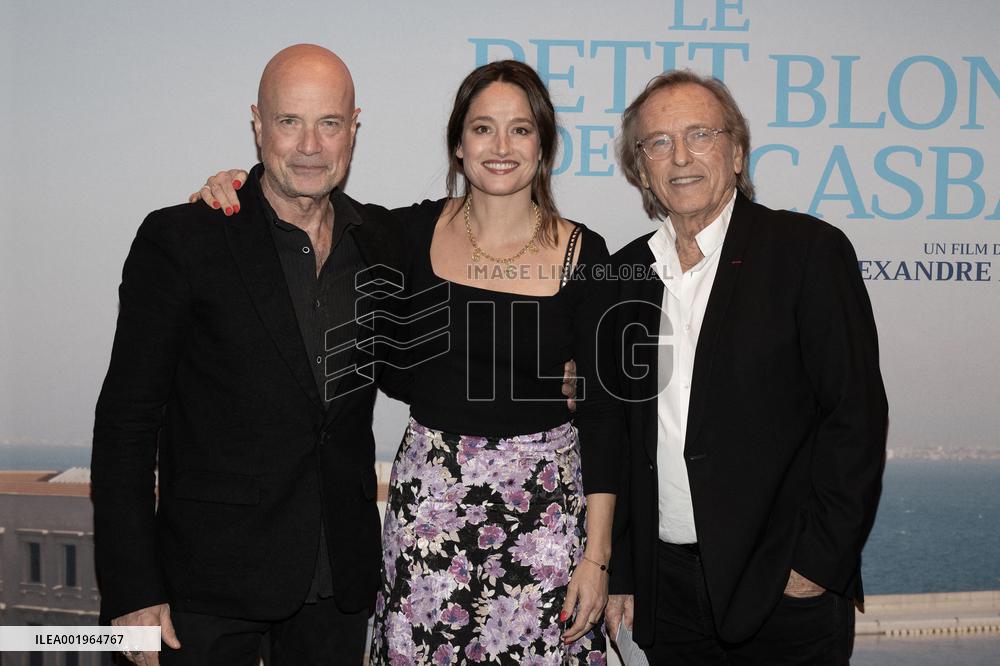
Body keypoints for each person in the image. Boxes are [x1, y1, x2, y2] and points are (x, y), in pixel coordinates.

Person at [193, 60, 622, 665]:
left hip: (547, 526)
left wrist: (597, 557)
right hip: (428, 520)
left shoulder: (587, 252)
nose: (501, 147)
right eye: (483, 128)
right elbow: (301, 207)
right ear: (458, 144)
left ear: (544, 145)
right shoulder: (403, 233)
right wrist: (237, 182)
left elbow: (604, 415)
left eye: (521, 130)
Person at [92, 44, 410, 665]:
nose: (310, 145)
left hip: (336, 588)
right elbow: (127, 421)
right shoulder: (186, 237)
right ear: (258, 125)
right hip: (204, 589)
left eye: (330, 122)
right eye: (290, 121)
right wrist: (132, 589)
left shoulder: (383, 241)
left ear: (354, 128)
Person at [604, 70, 888, 665]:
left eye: (700, 134)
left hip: (783, 589)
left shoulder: (807, 252)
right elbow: (623, 438)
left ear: (736, 153)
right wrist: (624, 570)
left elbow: (855, 417)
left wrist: (814, 566)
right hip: (666, 592)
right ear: (641, 169)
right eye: (658, 142)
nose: (680, 156)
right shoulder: (626, 273)